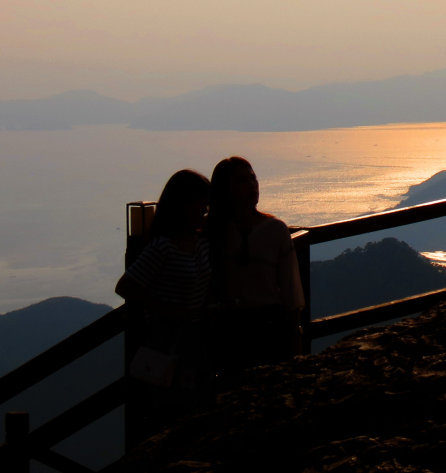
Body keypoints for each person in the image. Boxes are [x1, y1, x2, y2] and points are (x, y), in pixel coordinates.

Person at [115, 169, 213, 423]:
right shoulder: (163, 247)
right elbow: (125, 286)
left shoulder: (202, 241)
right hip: (167, 338)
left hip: (197, 335)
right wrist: (166, 310)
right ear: (182, 204)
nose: (205, 207)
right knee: (173, 406)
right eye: (200, 201)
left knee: (195, 402)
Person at [207, 156, 305, 382]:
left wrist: (295, 335)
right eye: (242, 180)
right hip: (228, 332)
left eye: (253, 178)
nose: (252, 185)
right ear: (225, 189)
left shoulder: (275, 230)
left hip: (269, 329)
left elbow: (291, 290)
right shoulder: (213, 232)